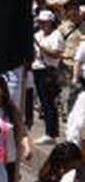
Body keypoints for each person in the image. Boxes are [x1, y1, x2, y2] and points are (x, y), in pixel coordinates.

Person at [33, 9, 64, 145]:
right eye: (40, 22)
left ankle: (51, 134)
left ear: (51, 23)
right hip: (37, 69)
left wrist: (41, 47)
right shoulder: (38, 34)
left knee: (49, 103)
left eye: (44, 22)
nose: (41, 25)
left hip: (48, 71)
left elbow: (56, 54)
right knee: (43, 103)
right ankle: (49, 132)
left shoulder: (57, 35)